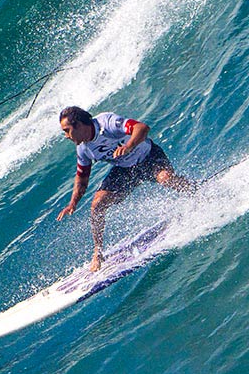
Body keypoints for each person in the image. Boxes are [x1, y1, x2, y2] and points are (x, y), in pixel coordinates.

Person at [57, 106, 195, 268]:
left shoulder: (106, 123)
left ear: (79, 125)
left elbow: (142, 128)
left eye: (67, 130)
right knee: (97, 204)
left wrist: (128, 146)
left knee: (166, 179)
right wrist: (73, 203)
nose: (66, 136)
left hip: (148, 156)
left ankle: (196, 192)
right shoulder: (83, 149)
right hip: (125, 170)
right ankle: (98, 252)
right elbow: (82, 177)